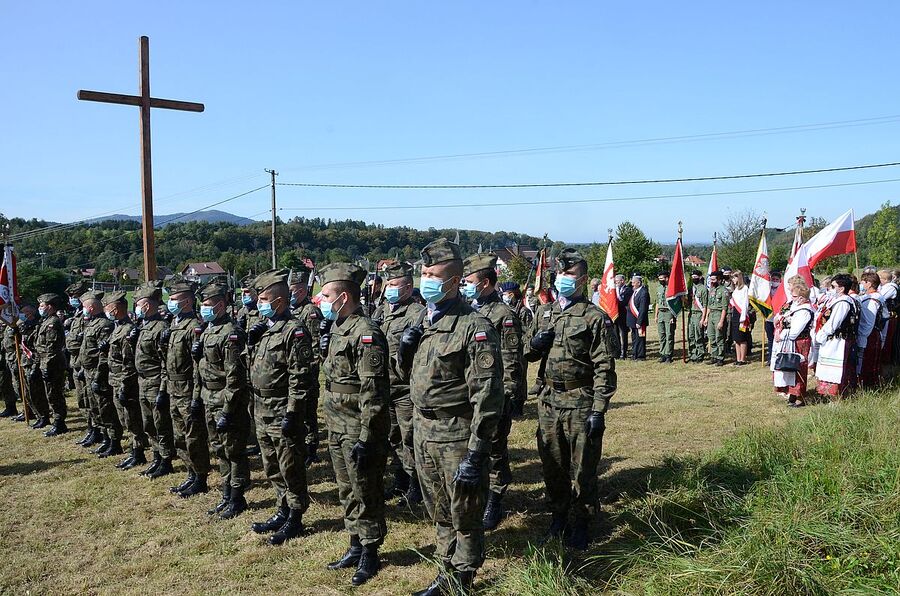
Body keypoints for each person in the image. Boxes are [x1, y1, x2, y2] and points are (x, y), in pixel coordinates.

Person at [403, 238, 504, 595]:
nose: (425, 279)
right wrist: (404, 351)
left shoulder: (473, 327)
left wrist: (477, 453)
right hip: (424, 429)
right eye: (423, 272)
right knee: (439, 509)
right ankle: (446, 567)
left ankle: (462, 576)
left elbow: (488, 398)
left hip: (456, 434)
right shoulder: (423, 319)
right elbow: (415, 378)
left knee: (464, 510)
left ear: (454, 280)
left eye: (433, 274)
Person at [524, 248, 617, 550]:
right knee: (552, 463)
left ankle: (582, 521)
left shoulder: (594, 318)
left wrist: (599, 410)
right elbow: (526, 351)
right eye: (560, 274)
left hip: (580, 400)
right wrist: (535, 343)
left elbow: (604, 366)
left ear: (583, 280)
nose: (564, 279)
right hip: (549, 399)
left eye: (570, 275)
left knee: (582, 467)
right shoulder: (544, 312)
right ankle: (558, 517)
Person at [318, 263, 390, 586]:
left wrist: (367, 436)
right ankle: (355, 542)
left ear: (343, 296)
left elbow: (373, 391)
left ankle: (371, 550)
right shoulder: (338, 327)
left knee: (366, 489)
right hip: (336, 423)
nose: (320, 299)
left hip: (357, 426)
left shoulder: (366, 332)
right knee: (346, 487)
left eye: (326, 294)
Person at [247, 269, 316, 546]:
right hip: (261, 407)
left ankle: (296, 517)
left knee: (290, 465)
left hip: (281, 408)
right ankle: (282, 508)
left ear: (279, 300)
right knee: (271, 465)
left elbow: (301, 377)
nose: (259, 303)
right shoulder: (266, 328)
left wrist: (292, 412)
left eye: (264, 298)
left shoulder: (294, 331)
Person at [462, 253, 525, 531]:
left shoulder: (504, 315)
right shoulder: (466, 311)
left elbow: (513, 359)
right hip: (470, 392)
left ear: (485, 282)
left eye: (469, 281)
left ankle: (495, 499)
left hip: (496, 392)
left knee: (495, 449)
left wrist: (510, 395)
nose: (465, 285)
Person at [193, 282, 253, 519]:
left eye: (207, 305)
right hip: (209, 396)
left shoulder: (231, 333)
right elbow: (201, 368)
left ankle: (238, 498)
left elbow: (235, 377)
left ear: (220, 305)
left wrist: (228, 410)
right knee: (219, 448)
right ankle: (227, 493)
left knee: (233, 449)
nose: (204, 309)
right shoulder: (209, 329)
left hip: (226, 399)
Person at [378, 261, 426, 505]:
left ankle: (416, 485)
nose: (389, 289)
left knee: (410, 437)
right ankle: (400, 481)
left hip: (405, 387)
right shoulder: (381, 310)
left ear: (408, 288)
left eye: (394, 285)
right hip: (384, 386)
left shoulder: (416, 313)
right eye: (387, 284)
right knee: (392, 436)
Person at [162, 279, 211, 497]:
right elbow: (166, 360)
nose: (170, 303)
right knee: (179, 436)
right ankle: (190, 473)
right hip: (174, 388)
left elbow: (197, 366)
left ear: (188, 301)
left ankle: (200, 477)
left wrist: (196, 396)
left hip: (188, 388)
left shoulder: (194, 327)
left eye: (174, 299)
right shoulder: (174, 324)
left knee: (193, 437)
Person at [132, 282, 175, 478]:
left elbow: (166, 363)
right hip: (143, 382)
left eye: (138, 305)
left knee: (161, 424)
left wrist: (163, 390)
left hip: (156, 382)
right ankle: (156, 456)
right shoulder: (144, 326)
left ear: (147, 306)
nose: (137, 309)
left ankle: (166, 460)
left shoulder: (160, 328)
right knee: (148, 423)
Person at [102, 291, 148, 469]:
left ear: (116, 308)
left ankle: (138, 453)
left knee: (132, 419)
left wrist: (124, 386)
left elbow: (129, 363)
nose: (106, 311)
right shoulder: (118, 327)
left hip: (124, 380)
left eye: (108, 308)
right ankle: (133, 451)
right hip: (115, 379)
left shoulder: (128, 329)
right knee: (124, 418)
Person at [77, 292, 121, 455]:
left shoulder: (104, 324)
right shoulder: (92, 323)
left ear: (91, 307)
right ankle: (104, 438)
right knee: (95, 407)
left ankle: (114, 441)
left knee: (105, 408)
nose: (83, 310)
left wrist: (98, 376)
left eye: (84, 306)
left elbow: (104, 355)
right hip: (88, 371)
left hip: (98, 372)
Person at [289, 266, 324, 466]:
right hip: (295, 369)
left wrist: (309, 371)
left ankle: (312, 449)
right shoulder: (293, 310)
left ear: (301, 291)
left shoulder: (310, 311)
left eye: (292, 290)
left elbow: (315, 345)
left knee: (309, 412)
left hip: (307, 372)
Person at [815, 274, 859, 399]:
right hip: (835, 340)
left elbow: (834, 323)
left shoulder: (843, 302)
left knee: (835, 370)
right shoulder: (840, 300)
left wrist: (821, 335)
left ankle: (836, 396)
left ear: (841, 288)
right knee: (831, 368)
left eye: (833, 286)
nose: (830, 289)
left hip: (838, 341)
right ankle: (831, 394)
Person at [771, 278, 814, 406]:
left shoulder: (804, 310)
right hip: (790, 341)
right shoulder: (794, 307)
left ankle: (800, 396)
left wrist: (781, 334)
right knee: (789, 368)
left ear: (802, 297)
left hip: (800, 341)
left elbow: (795, 331)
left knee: (798, 367)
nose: (793, 298)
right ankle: (792, 394)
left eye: (795, 296)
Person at [35, 293, 68, 436]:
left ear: (49, 306)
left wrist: (47, 366)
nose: (39, 308)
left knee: (54, 394)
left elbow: (52, 347)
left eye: (41, 306)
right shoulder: (45, 321)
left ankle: (59, 423)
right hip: (45, 362)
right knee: (51, 393)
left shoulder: (52, 323)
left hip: (53, 364)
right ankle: (57, 421)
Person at [856, 272, 887, 389]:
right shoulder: (875, 297)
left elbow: (869, 322)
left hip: (870, 334)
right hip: (873, 333)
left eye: (863, 282)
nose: (861, 284)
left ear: (869, 283)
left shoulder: (872, 300)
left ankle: (868, 386)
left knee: (868, 361)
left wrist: (862, 337)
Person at [705, 271, 729, 366]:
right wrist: (706, 318)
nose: (711, 281)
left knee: (719, 337)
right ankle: (713, 356)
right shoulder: (711, 290)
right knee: (711, 336)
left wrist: (721, 321)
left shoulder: (724, 291)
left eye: (713, 279)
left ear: (719, 279)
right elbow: (709, 305)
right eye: (711, 279)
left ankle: (720, 357)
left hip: (719, 315)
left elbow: (724, 308)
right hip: (711, 315)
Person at [728, 271, 751, 365]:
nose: (733, 280)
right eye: (732, 278)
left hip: (742, 314)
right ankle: (738, 358)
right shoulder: (735, 289)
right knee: (736, 338)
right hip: (735, 314)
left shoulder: (745, 288)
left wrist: (743, 317)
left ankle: (743, 359)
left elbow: (745, 303)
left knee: (742, 338)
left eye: (734, 277)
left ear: (739, 277)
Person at [626, 275, 649, 360]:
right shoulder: (634, 292)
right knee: (634, 338)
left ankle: (640, 355)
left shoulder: (643, 292)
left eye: (633, 282)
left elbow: (643, 309)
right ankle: (634, 354)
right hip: (633, 320)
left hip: (640, 321)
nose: (632, 284)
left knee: (640, 338)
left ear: (639, 283)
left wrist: (639, 322)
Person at [654, 272, 676, 363]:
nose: (660, 280)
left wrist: (673, 316)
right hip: (661, 313)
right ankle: (662, 353)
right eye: (659, 278)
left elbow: (675, 304)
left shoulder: (672, 288)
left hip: (669, 313)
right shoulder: (659, 288)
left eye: (662, 278)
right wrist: (656, 315)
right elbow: (658, 303)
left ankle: (668, 354)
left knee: (669, 334)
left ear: (667, 278)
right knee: (661, 335)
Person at [687, 271, 708, 363]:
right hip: (691, 314)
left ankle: (700, 354)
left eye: (695, 276)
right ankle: (692, 353)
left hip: (699, 313)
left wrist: (703, 318)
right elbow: (688, 302)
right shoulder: (690, 289)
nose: (693, 278)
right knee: (691, 335)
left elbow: (705, 305)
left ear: (700, 277)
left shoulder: (703, 289)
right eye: (692, 276)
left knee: (698, 335)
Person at [764, 272, 782, 365]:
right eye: (773, 279)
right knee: (770, 339)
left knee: (777, 338)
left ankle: (778, 357)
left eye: (776, 280)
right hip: (769, 318)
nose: (774, 281)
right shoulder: (767, 290)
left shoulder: (782, 290)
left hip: (778, 318)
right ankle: (770, 357)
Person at [614, 274, 632, 359]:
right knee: (615, 333)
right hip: (614, 314)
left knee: (623, 333)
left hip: (623, 314)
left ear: (622, 281)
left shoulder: (628, 290)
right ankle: (617, 352)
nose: (616, 283)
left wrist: (615, 304)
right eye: (615, 281)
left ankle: (624, 352)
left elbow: (625, 301)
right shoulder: (613, 290)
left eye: (618, 281)